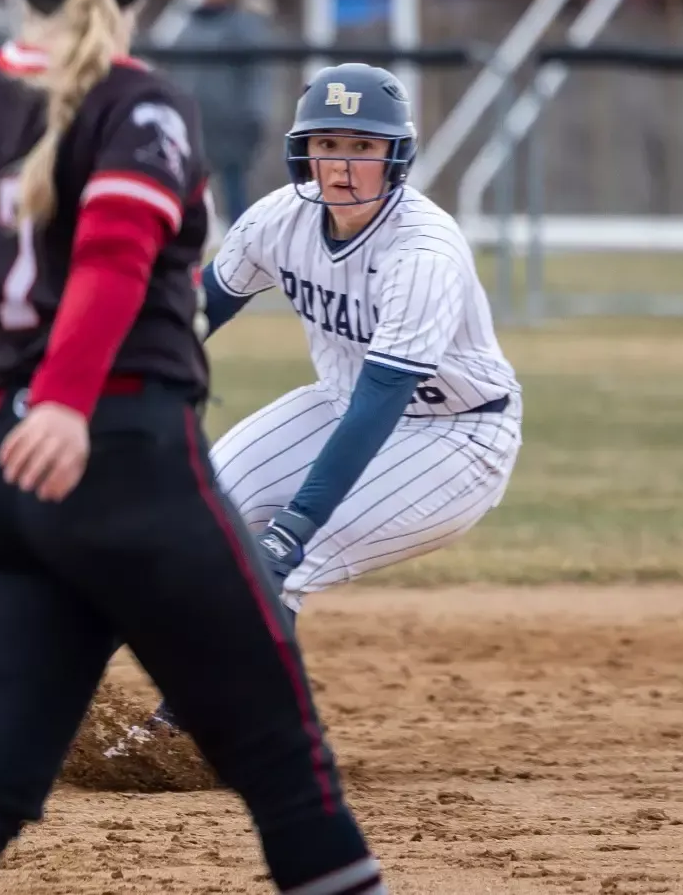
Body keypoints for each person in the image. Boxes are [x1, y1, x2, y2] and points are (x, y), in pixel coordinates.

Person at [0, 0, 385, 895]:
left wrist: (25, 328)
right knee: (288, 776)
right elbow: (107, 254)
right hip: (122, 458)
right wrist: (65, 393)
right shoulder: (142, 103)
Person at [130, 64, 521, 738]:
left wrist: (294, 526)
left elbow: (382, 398)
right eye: (328, 143)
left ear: (395, 156)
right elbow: (196, 314)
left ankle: (205, 732)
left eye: (363, 147)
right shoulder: (280, 219)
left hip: (454, 437)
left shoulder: (423, 252)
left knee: (277, 563)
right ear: (301, 149)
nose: (341, 165)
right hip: (340, 405)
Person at [162, 0, 274, 223]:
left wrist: (255, 116)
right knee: (190, 189)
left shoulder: (244, 28)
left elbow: (257, 76)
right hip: (194, 125)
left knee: (235, 188)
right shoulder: (187, 27)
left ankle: (242, 242)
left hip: (231, 128)